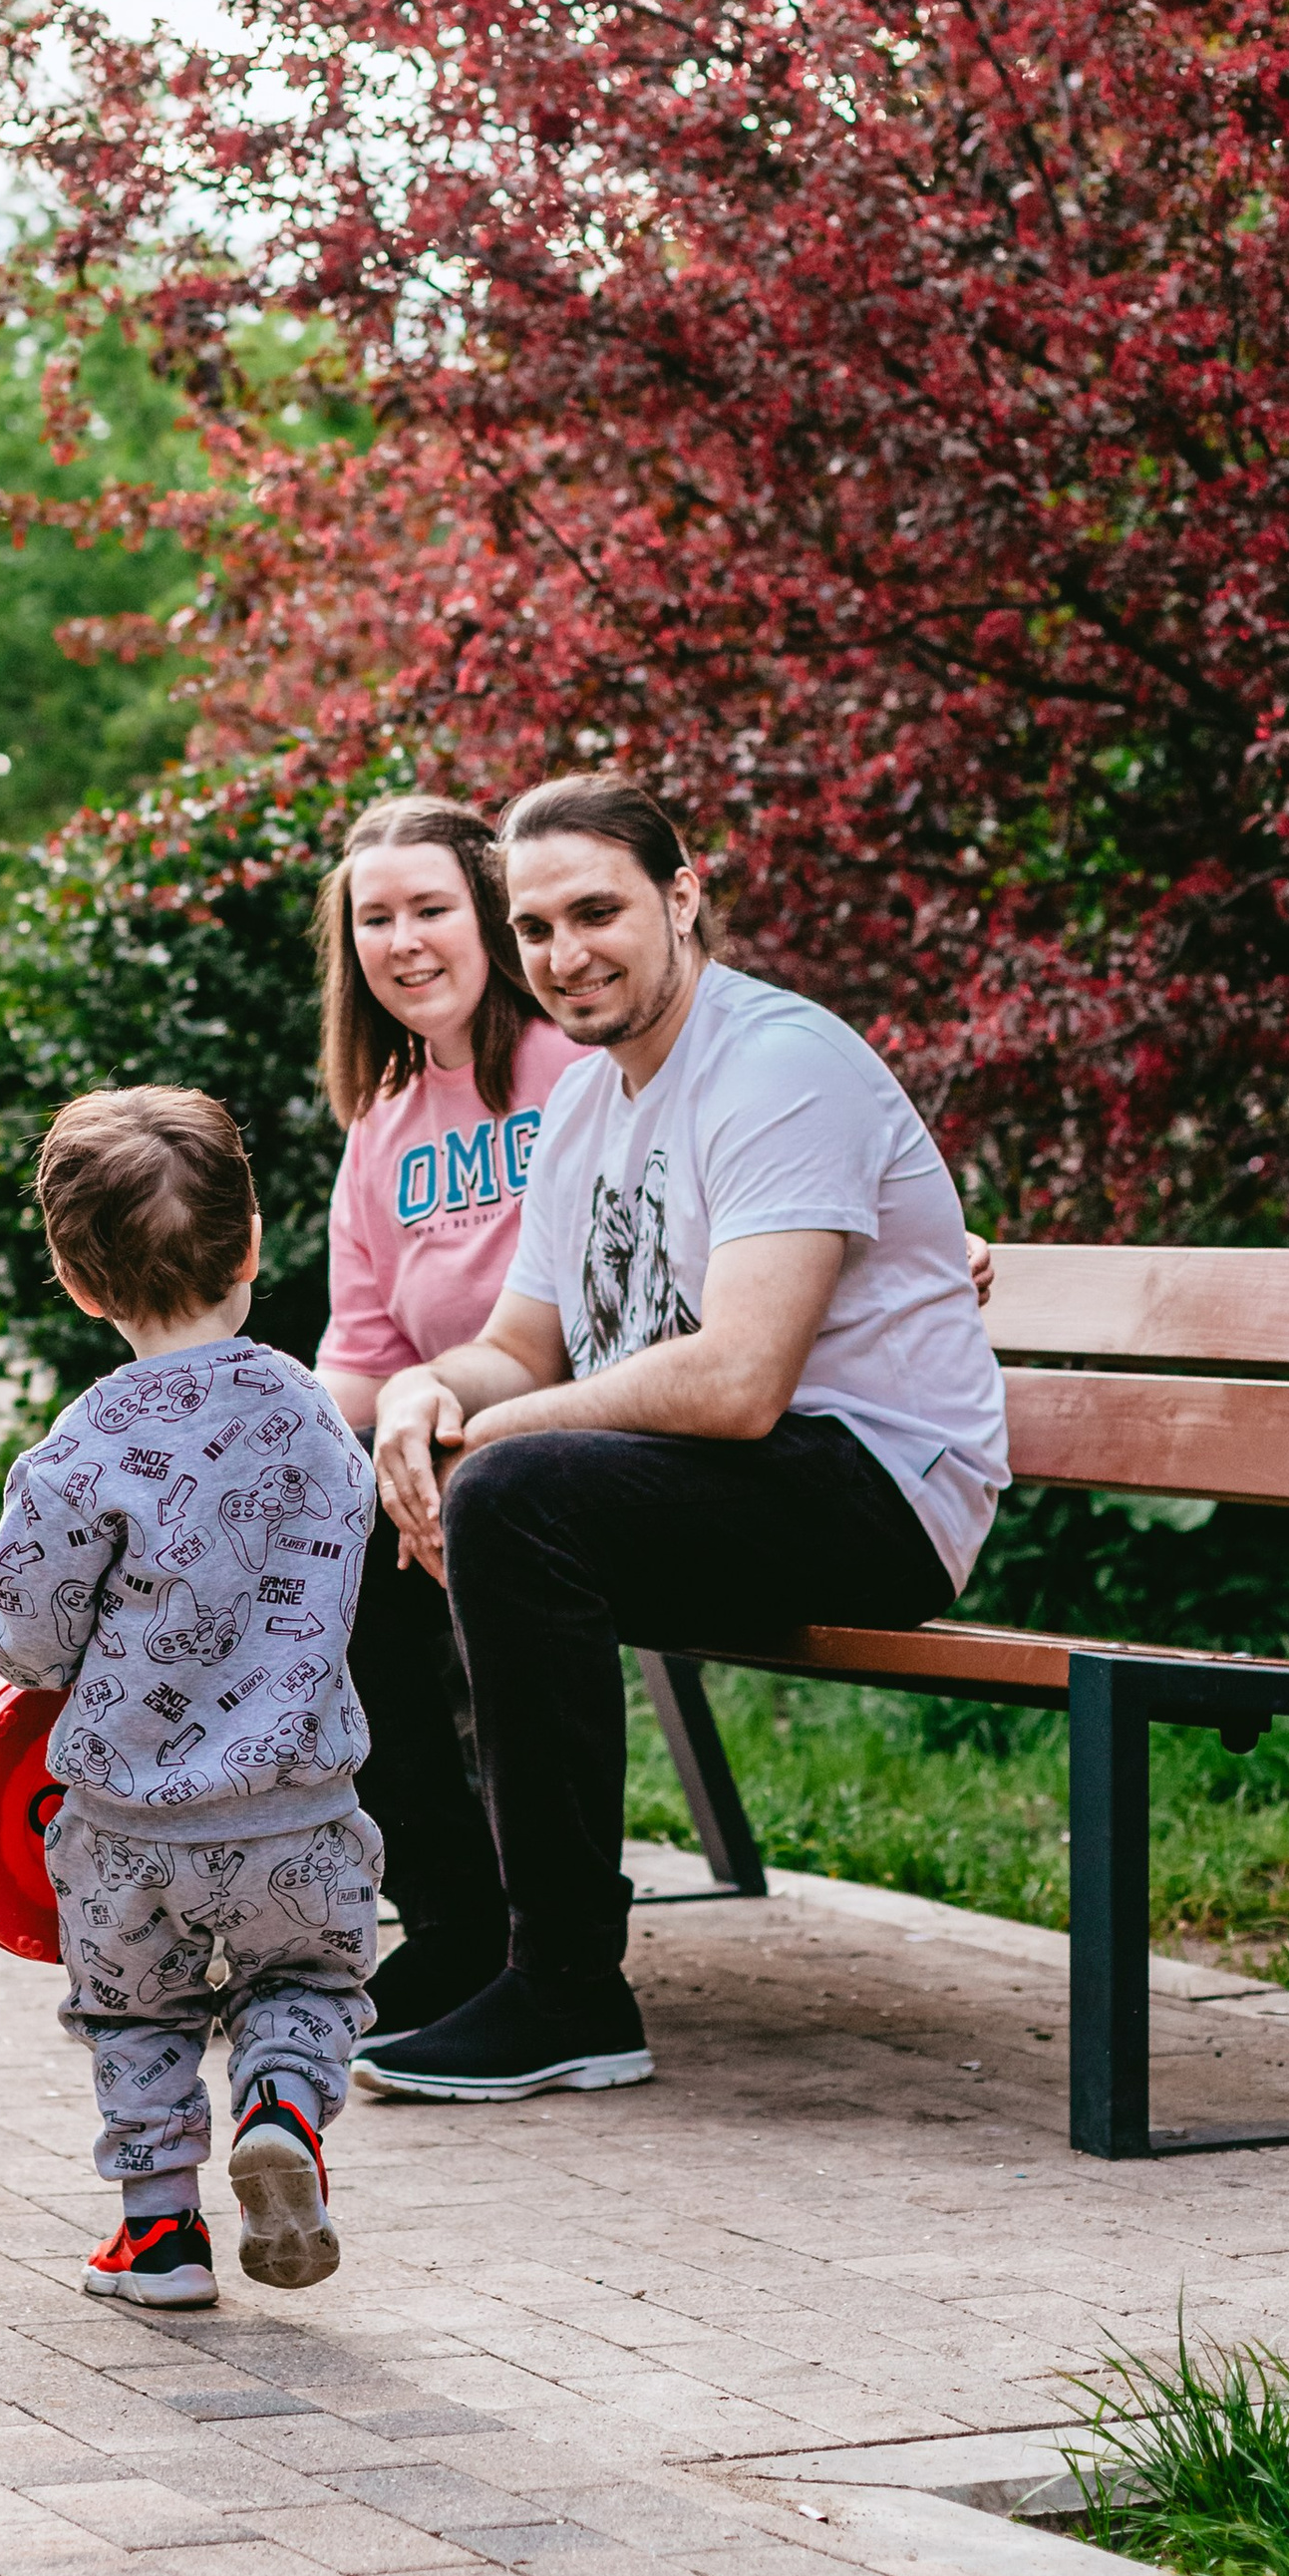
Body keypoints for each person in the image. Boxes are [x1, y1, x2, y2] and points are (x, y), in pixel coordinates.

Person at [353, 774, 1010, 2105]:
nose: (564, 954)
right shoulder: (587, 1105)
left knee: (511, 1491)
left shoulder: (778, 1066)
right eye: (534, 929)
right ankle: (466, 1937)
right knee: (367, 1497)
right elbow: (520, 1345)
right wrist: (419, 1399)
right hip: (723, 1485)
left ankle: (569, 1990)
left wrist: (489, 1436)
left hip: (875, 1487)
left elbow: (740, 1381)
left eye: (596, 912)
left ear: (683, 895)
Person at [0, 1084, 380, 2310]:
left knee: (133, 2017)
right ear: (252, 1244)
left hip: (127, 1831)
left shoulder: (81, 1447)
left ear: (74, 1281)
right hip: (299, 1812)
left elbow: (27, 1641)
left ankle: (159, 2241)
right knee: (306, 1987)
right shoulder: (311, 1413)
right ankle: (282, 2111)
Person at [312, 795, 587, 2032]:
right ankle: (450, 1919)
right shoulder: (380, 1130)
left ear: (489, 913)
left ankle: (525, 1941)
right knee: (316, 1525)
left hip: (572, 1443)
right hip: (434, 1451)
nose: (404, 941)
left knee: (427, 1511)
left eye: (430, 907)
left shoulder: (575, 1069)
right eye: (375, 919)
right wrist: (252, 1440)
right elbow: (362, 1360)